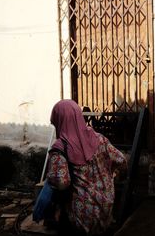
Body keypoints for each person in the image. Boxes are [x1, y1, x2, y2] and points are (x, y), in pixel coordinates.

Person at [46, 99, 127, 235]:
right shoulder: (99, 139)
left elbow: (61, 183)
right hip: (105, 208)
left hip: (81, 216)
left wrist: (50, 177)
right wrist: (111, 172)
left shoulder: (60, 149)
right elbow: (122, 160)